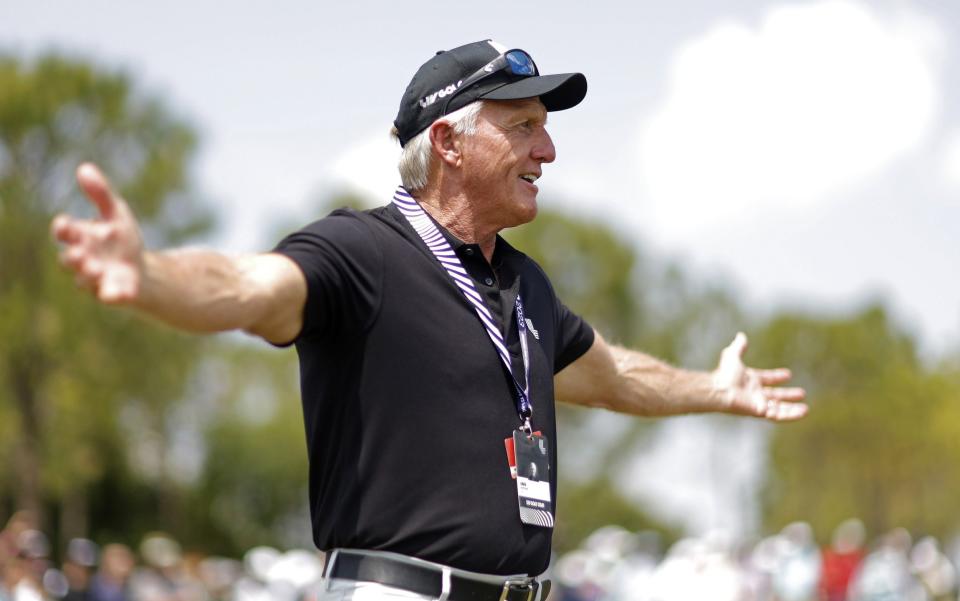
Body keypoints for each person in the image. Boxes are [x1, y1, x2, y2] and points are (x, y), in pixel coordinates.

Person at [51, 40, 807, 600]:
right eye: (524, 127)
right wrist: (149, 276)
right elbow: (251, 284)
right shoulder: (361, 251)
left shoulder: (526, 285)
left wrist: (716, 388)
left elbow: (615, 376)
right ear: (447, 141)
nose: (547, 148)